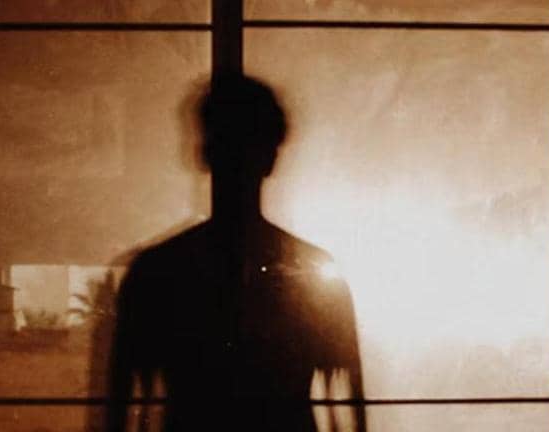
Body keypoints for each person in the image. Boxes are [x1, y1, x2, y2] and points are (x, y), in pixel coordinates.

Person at [106, 73, 366, 432]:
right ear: (271, 157)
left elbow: (122, 410)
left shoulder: (158, 270)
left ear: (203, 153)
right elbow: (349, 408)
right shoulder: (311, 272)